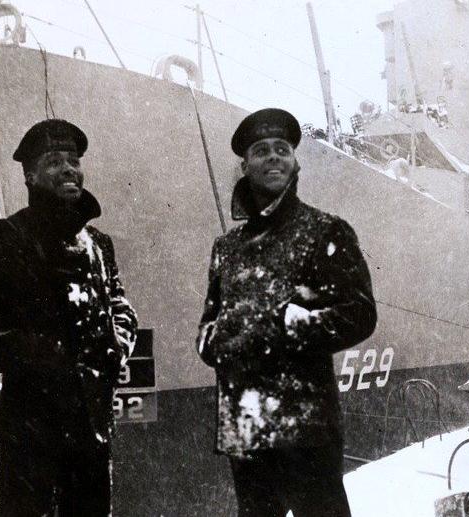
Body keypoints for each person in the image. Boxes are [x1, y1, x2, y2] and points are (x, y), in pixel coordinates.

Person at [0, 119, 138, 516]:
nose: (69, 169)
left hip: (92, 428)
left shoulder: (99, 245)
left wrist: (117, 345)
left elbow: (121, 307)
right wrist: (33, 354)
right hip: (31, 430)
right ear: (30, 176)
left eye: (73, 161)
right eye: (54, 162)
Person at [196, 108, 377, 517]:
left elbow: (359, 313)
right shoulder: (227, 248)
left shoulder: (325, 231)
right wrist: (216, 341)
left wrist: (289, 326)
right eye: (261, 150)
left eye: (282, 149)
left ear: (295, 162)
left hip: (305, 429)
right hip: (246, 427)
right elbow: (209, 325)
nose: (273, 157)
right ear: (245, 166)